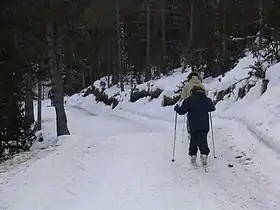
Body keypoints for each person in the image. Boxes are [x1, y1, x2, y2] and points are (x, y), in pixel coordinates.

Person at [174, 85, 215, 167]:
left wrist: (177, 108)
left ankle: (193, 157)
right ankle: (204, 156)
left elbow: (182, 111)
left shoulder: (189, 100)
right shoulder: (207, 100)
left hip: (193, 125)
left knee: (193, 141)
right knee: (203, 141)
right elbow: (212, 108)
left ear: (192, 92)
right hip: (204, 125)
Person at [180, 72, 207, 136]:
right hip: (202, 110)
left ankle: (191, 134)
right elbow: (205, 96)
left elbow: (183, 96)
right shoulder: (202, 86)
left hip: (191, 107)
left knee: (190, 122)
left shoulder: (187, 85)